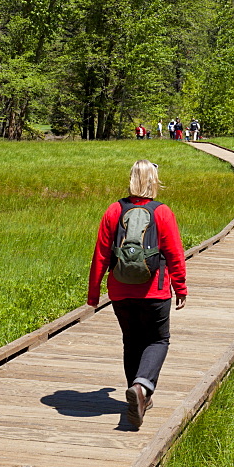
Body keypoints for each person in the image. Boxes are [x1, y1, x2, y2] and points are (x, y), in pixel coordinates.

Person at [87, 160, 187, 428]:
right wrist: (180, 286)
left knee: (131, 340)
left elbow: (101, 254)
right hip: (154, 290)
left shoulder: (114, 210)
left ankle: (139, 396)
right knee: (158, 340)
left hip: (120, 290)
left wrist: (94, 293)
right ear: (155, 181)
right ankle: (141, 388)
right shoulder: (162, 212)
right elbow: (175, 253)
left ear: (131, 179)